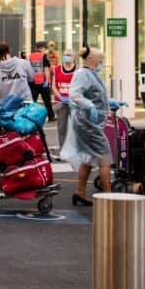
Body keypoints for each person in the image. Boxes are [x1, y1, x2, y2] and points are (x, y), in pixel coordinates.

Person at [61, 46, 112, 205]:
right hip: (88, 124)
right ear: (91, 60)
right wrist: (89, 106)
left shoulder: (91, 74)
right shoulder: (84, 74)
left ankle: (80, 193)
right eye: (100, 60)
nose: (101, 63)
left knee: (89, 158)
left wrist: (110, 103)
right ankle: (109, 197)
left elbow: (97, 96)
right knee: (105, 159)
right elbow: (75, 94)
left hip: (90, 123)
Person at [51, 49, 78, 150]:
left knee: (76, 127)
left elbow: (80, 86)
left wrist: (72, 97)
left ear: (74, 58)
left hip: (74, 102)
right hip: (60, 102)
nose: (67, 56)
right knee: (61, 128)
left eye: (69, 55)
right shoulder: (57, 69)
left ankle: (76, 149)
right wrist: (61, 97)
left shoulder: (78, 70)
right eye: (65, 55)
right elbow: (54, 86)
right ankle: (63, 150)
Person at [27, 42, 56, 121]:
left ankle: (29, 117)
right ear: (42, 48)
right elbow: (46, 69)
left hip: (32, 82)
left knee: (32, 101)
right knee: (47, 101)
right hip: (42, 82)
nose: (45, 50)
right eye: (44, 48)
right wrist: (47, 81)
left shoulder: (30, 56)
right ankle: (51, 116)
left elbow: (28, 69)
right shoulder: (43, 56)